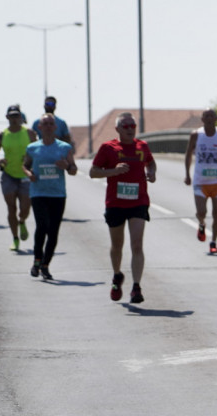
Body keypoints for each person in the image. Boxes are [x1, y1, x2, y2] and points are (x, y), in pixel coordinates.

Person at [89, 112, 157, 304]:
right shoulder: (108, 148)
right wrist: (114, 171)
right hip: (116, 203)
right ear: (117, 129)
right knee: (117, 246)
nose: (130, 129)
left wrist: (151, 173)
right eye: (125, 126)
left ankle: (136, 287)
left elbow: (151, 162)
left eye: (133, 126)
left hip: (139, 201)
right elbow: (93, 172)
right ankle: (117, 275)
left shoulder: (142, 146)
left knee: (137, 244)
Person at [23, 113, 77, 281]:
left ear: (55, 127)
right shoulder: (32, 148)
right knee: (42, 226)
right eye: (44, 124)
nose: (47, 126)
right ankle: (37, 260)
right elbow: (25, 165)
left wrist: (66, 166)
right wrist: (29, 174)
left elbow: (74, 170)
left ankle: (46, 265)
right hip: (38, 192)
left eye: (50, 124)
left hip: (57, 194)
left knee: (53, 231)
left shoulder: (63, 147)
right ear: (39, 128)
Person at [183, 109, 217, 255]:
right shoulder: (196, 135)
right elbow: (188, 154)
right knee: (201, 212)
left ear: (216, 118)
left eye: (211, 116)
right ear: (202, 119)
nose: (208, 118)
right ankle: (201, 224)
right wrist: (187, 175)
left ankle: (213, 241)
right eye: (206, 116)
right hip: (200, 181)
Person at [0, 104, 37, 251]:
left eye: (17, 116)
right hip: (8, 174)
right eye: (12, 116)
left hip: (25, 174)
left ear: (21, 117)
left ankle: (22, 221)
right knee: (11, 208)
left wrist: (33, 164)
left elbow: (38, 149)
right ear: (7, 117)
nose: (15, 119)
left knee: (25, 208)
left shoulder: (29, 132)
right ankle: (15, 239)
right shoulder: (2, 134)